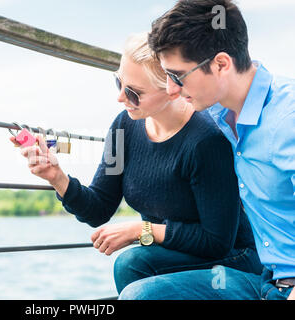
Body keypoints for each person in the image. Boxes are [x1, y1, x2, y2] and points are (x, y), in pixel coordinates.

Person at [10, 32, 262, 295]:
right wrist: (56, 177)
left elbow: (216, 242)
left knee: (132, 268)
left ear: (172, 89)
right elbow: (98, 209)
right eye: (118, 82)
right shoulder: (124, 126)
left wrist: (142, 230)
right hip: (177, 251)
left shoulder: (206, 140)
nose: (120, 97)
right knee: (130, 265)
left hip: (233, 258)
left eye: (133, 92)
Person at [118, 0, 295, 300]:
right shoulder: (218, 113)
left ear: (221, 64)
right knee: (137, 285)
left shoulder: (286, 120)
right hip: (265, 279)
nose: (171, 90)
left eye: (177, 76)